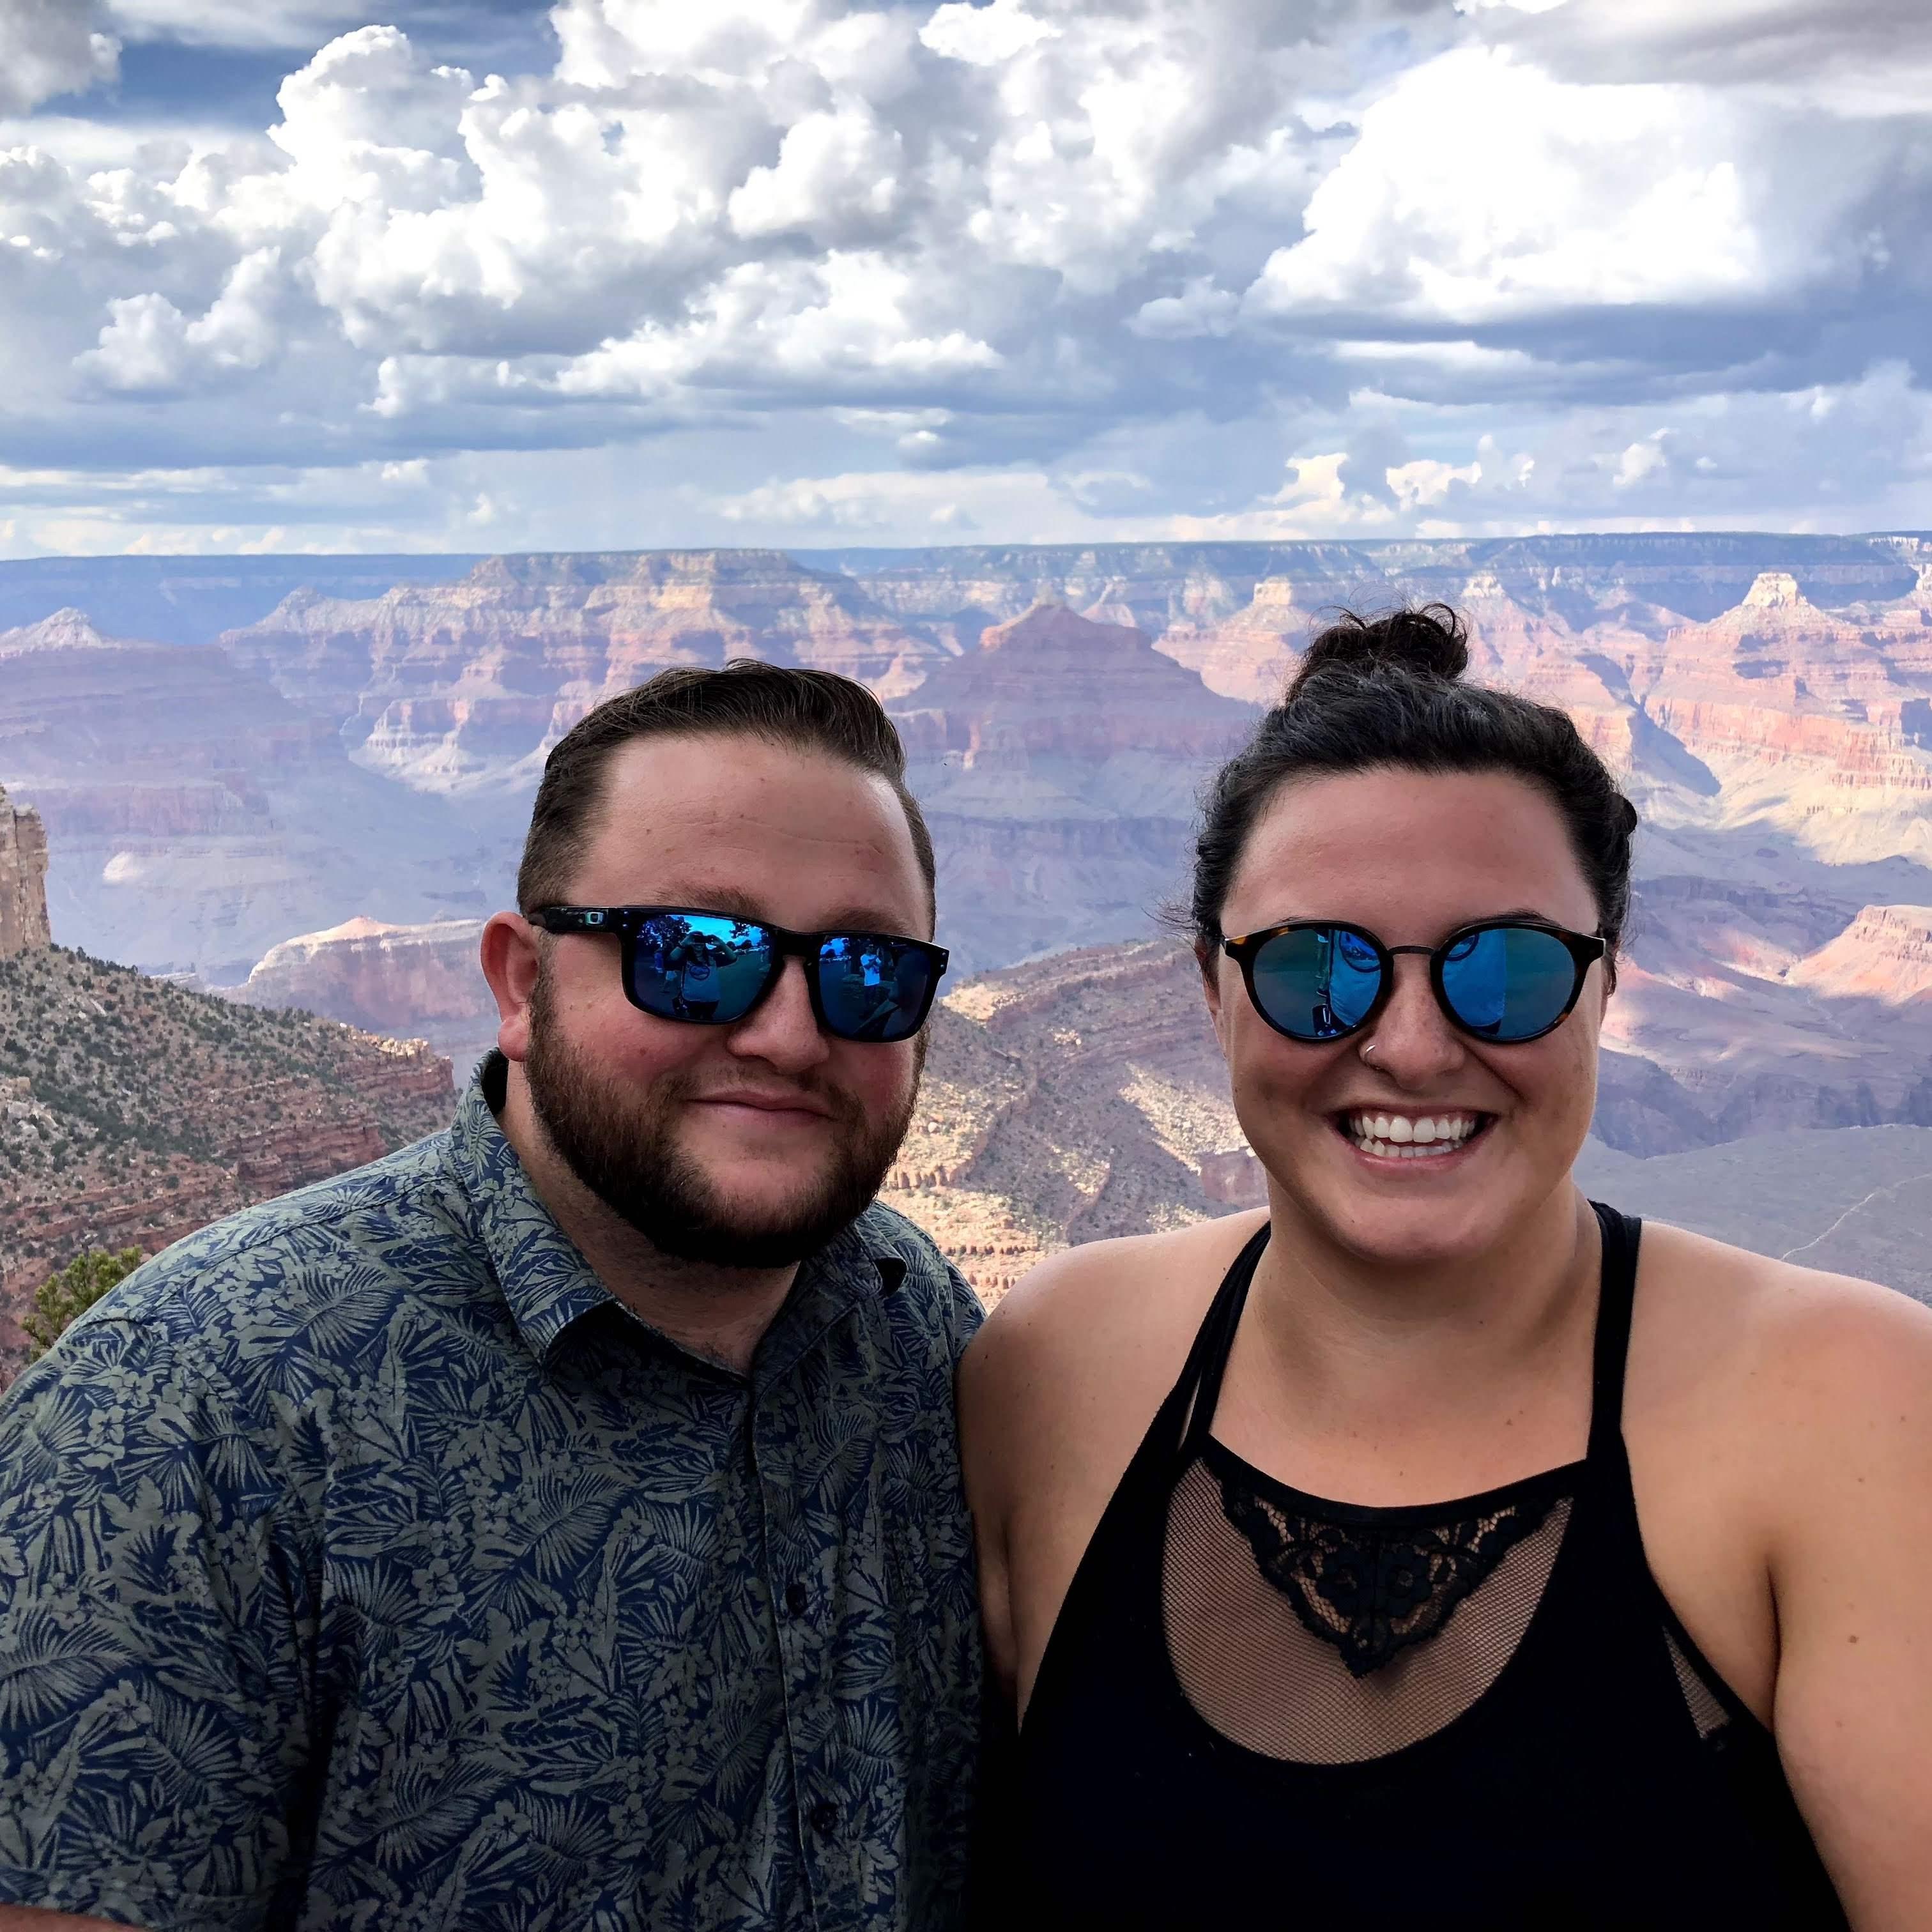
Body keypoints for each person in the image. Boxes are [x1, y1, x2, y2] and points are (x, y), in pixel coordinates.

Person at [961, 608, 1932, 1927]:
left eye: (1510, 969)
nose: (1412, 1048)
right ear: (1209, 988)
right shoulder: (1057, 1365)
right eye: (1317, 969)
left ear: (1604, 990)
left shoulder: (1851, 1402)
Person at [0, 662, 983, 1932]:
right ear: (522, 982)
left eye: (868, 971)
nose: (791, 1033)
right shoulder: (192, 1414)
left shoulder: (924, 1333)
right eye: (694, 956)